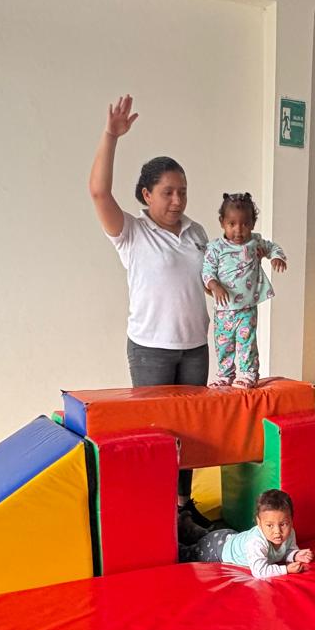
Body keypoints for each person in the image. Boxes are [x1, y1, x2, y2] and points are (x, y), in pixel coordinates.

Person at [88, 94, 212, 530]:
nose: (177, 200)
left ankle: (183, 506)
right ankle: (157, 512)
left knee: (191, 434)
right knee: (158, 433)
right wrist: (111, 136)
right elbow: (99, 192)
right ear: (146, 194)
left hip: (195, 348)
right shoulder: (132, 232)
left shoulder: (197, 232)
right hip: (151, 351)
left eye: (182, 192)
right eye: (168, 192)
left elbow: (212, 277)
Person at [201, 192, 287, 388]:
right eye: (232, 224)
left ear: (253, 224)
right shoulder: (215, 248)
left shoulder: (254, 243)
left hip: (247, 307)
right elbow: (207, 271)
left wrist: (276, 257)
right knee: (223, 343)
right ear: (222, 223)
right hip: (223, 309)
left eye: (245, 224)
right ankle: (225, 374)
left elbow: (273, 247)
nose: (238, 230)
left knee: (247, 341)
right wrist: (215, 285)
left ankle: (249, 374)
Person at [181, 489, 313, 579]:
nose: (277, 531)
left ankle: (188, 525)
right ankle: (183, 527)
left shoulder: (290, 533)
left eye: (283, 524)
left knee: (202, 536)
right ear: (259, 523)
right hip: (217, 550)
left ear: (291, 520)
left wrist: (295, 555)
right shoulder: (256, 542)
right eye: (269, 525)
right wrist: (286, 569)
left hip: (230, 537)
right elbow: (260, 571)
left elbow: (284, 551)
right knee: (185, 554)